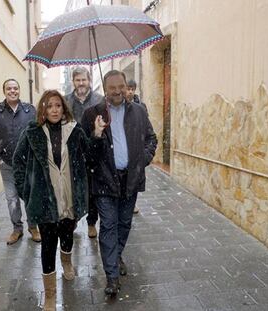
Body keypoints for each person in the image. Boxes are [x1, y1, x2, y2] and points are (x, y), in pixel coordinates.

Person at [13, 90, 105, 311]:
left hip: (69, 198)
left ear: (64, 109)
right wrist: (27, 192)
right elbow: (18, 163)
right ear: (43, 109)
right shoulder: (31, 132)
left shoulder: (74, 131)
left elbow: (91, 156)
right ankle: (51, 296)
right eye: (49, 105)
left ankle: (66, 261)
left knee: (67, 236)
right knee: (47, 245)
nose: (54, 110)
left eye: (58, 106)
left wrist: (98, 135)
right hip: (44, 201)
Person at [81, 70, 157, 296]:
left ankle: (116, 255)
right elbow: (86, 154)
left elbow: (151, 138)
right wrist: (96, 134)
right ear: (105, 90)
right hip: (104, 180)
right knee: (109, 226)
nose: (117, 91)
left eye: (120, 86)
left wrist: (142, 160)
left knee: (124, 223)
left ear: (126, 86)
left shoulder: (139, 111)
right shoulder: (91, 114)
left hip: (130, 179)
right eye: (112, 87)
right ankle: (111, 276)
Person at [0, 78, 41, 245]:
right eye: (9, 88)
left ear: (19, 90)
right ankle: (17, 229)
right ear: (4, 91)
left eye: (15, 88)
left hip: (28, 163)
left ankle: (33, 227)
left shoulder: (30, 110)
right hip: (7, 164)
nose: (12, 91)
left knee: (30, 196)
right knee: (12, 198)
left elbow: (38, 133)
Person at [65, 66, 103, 238]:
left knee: (92, 191)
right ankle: (72, 220)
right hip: (72, 154)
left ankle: (91, 223)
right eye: (77, 80)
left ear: (89, 80)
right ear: (73, 81)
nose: (81, 83)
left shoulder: (99, 101)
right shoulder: (65, 102)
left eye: (84, 79)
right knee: (73, 190)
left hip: (94, 151)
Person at [125, 79, 148, 215]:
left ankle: (132, 203)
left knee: (135, 178)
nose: (130, 91)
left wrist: (146, 156)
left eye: (132, 89)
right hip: (126, 147)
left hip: (137, 147)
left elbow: (147, 128)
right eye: (128, 88)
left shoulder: (141, 106)